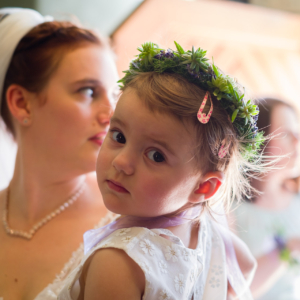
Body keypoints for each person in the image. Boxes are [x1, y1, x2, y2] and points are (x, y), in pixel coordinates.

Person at [58, 42, 263, 300]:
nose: (122, 162)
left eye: (156, 156)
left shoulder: (119, 262)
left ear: (204, 187)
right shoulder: (204, 230)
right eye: (119, 136)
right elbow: (245, 265)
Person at [0, 8, 119, 300]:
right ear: (21, 103)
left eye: (115, 95)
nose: (112, 115)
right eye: (89, 92)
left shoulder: (126, 224)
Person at [231, 98, 300, 300]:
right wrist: (290, 247)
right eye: (287, 134)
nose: (297, 141)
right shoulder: (230, 209)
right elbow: (236, 288)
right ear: (259, 138)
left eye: (297, 133)